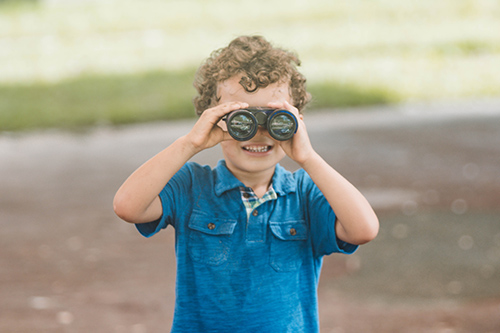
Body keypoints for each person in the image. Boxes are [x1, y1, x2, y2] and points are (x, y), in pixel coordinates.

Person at [113, 35, 379, 332]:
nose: (258, 132)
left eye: (274, 117)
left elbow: (364, 229)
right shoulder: (192, 186)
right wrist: (190, 143)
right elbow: (128, 206)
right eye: (241, 118)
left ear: (295, 122)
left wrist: (309, 157)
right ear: (214, 118)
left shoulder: (305, 193)